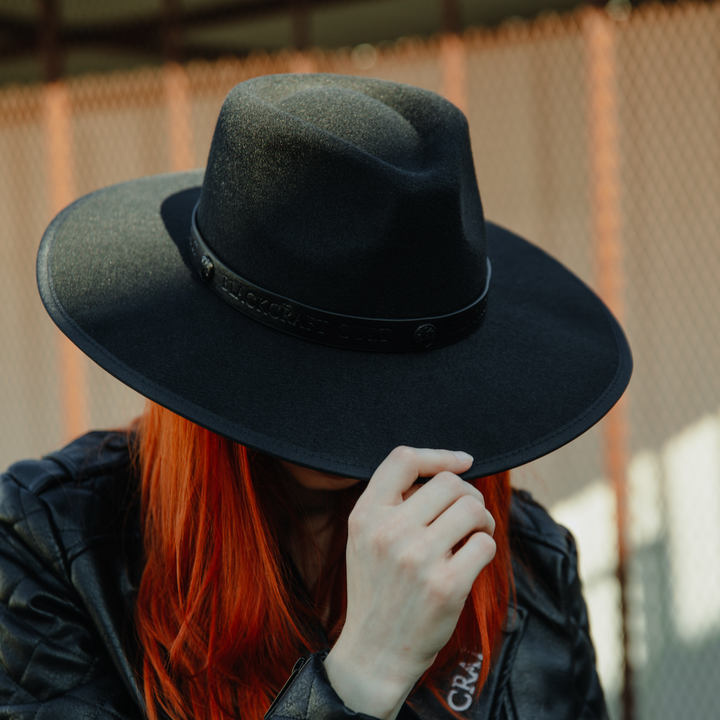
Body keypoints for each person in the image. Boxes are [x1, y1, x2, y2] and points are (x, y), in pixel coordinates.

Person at [0, 74, 631, 720]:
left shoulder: (531, 572)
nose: (343, 417)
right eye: (316, 370)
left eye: (372, 366)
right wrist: (361, 678)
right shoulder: (52, 547)